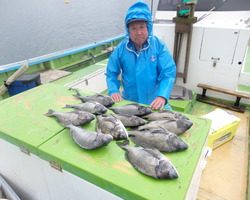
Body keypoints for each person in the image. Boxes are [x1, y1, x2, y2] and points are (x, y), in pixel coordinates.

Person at [106, 0, 176, 110]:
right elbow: (111, 72)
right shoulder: (121, 48)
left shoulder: (159, 45)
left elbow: (168, 73)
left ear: (148, 27)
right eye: (134, 28)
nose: (139, 32)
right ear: (128, 30)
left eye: (142, 27)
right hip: (130, 102)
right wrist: (114, 90)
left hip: (155, 102)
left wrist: (162, 96)